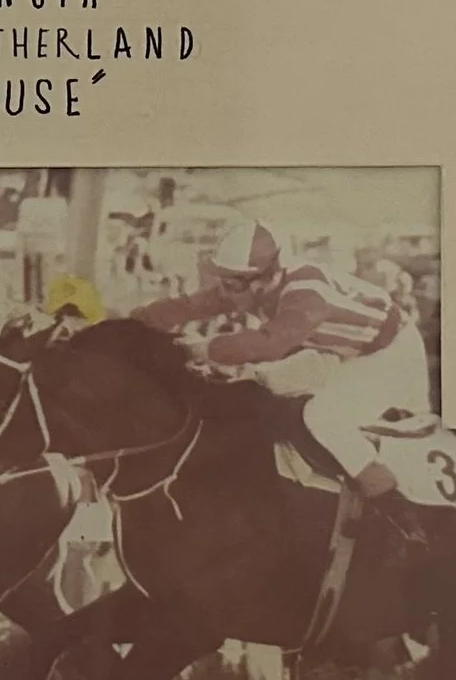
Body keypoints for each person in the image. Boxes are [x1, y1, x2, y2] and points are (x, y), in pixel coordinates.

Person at [131, 217, 427, 524]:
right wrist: (130, 323)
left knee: (321, 417)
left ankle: (392, 502)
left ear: (268, 276)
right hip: (343, 350)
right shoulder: (253, 283)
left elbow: (269, 344)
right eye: (225, 280)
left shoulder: (307, 291)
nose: (226, 292)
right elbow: (189, 306)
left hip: (390, 352)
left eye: (234, 283)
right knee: (264, 390)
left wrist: (201, 349)